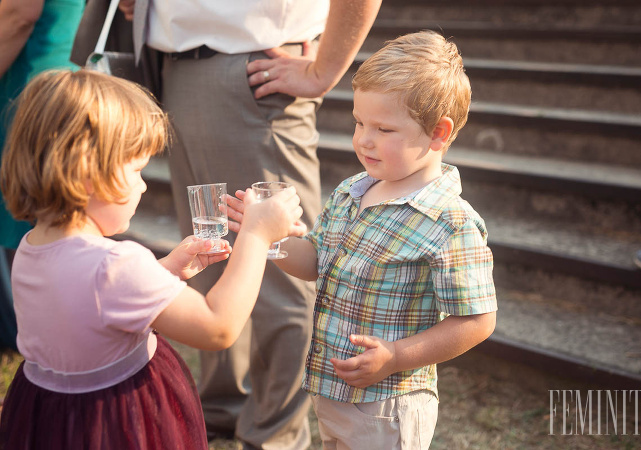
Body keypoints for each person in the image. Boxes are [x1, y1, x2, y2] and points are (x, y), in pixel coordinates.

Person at [72, 1, 382, 448]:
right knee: (210, 251)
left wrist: (325, 69)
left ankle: (275, 433)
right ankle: (224, 409)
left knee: (281, 265)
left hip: (254, 68)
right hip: (175, 63)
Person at [0, 69, 307, 449]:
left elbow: (90, 307)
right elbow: (217, 327)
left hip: (49, 420)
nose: (144, 184)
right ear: (87, 175)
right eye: (136, 170)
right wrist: (257, 237)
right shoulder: (116, 264)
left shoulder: (31, 247)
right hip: (119, 423)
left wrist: (164, 272)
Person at [227, 30, 498, 449]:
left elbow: (478, 321)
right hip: (333, 391)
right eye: (359, 122)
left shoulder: (450, 222)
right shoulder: (353, 190)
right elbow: (316, 261)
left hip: (388, 403)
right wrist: (265, 235)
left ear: (438, 134)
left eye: (384, 129)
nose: (364, 139)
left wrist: (395, 356)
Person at [0, 0, 84, 351]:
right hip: (45, 78)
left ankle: (46, 346)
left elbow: (19, 12)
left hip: (31, 83)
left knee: (32, 223)